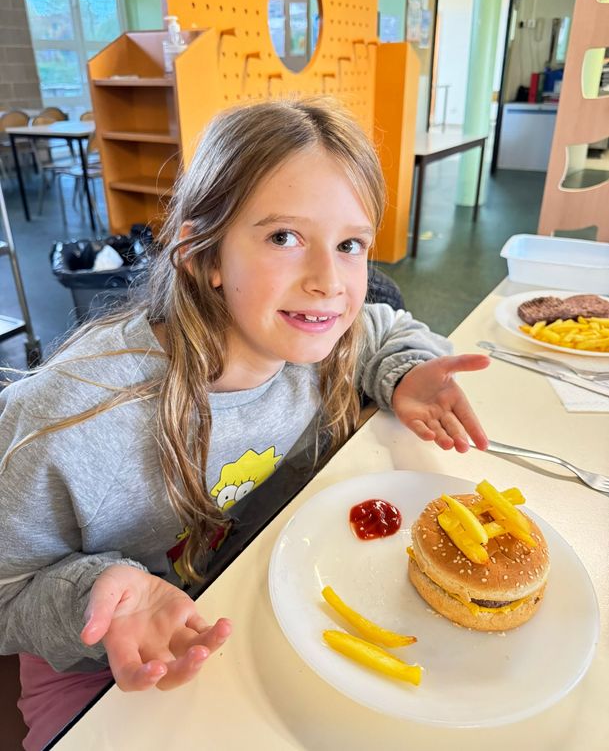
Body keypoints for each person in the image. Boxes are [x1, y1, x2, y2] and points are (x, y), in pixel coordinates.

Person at [0, 98, 489, 750]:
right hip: (98, 673)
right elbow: (8, 592)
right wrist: (94, 594)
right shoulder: (75, 417)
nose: (328, 282)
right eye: (284, 237)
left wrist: (404, 372)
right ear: (203, 254)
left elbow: (383, 326)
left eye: (349, 245)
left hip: (245, 598)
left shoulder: (323, 340)